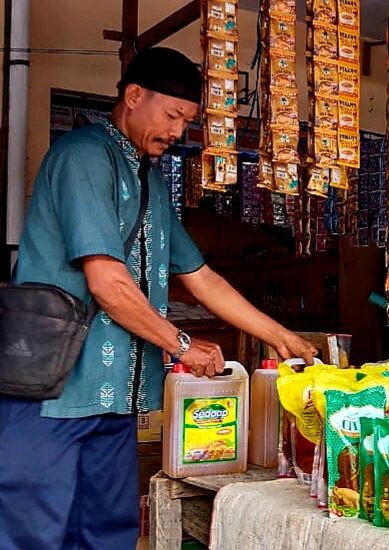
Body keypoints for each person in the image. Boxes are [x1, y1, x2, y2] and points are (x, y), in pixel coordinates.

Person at [0, 47, 316, 549]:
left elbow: (200, 275)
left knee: (107, 533)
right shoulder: (83, 155)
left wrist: (281, 337)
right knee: (33, 533)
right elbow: (108, 283)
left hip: (113, 400)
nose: (176, 132)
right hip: (54, 392)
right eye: (171, 116)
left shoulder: (147, 177)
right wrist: (182, 344)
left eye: (186, 121)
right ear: (133, 96)